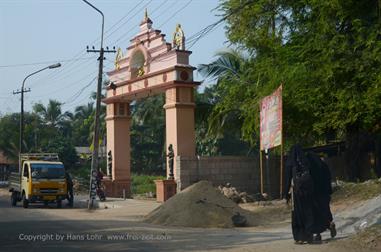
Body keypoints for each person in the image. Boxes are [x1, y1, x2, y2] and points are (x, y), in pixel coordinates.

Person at [284, 145, 315, 244]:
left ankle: (299, 237)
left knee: (297, 214)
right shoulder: (306, 162)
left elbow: (287, 180)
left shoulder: (290, 163)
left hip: (296, 193)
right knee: (308, 212)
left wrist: (286, 195)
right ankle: (309, 236)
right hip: (308, 192)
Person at [306, 152, 336, 241]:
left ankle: (318, 234)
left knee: (316, 213)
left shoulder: (311, 168)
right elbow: (329, 178)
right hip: (325, 193)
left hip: (315, 194)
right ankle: (330, 224)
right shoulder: (324, 165)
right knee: (326, 210)